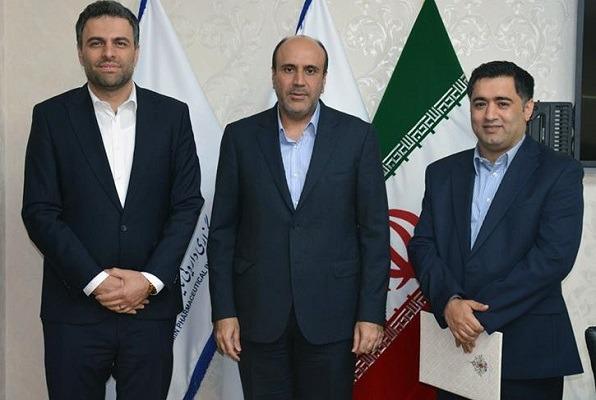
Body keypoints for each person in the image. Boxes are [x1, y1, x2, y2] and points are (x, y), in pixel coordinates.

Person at [21, 1, 203, 399]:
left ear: (136, 50)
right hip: (74, 312)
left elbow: (187, 204)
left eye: (120, 42)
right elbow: (39, 212)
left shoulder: (173, 116)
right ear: (80, 51)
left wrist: (149, 281)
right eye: (96, 43)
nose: (108, 52)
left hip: (149, 312)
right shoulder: (51, 117)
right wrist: (96, 282)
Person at [207, 35, 390, 399]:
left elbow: (374, 233)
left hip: (333, 318)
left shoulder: (357, 137)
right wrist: (224, 311)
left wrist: (371, 313)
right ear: (274, 75)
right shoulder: (240, 138)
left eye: (310, 70)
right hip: (258, 317)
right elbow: (223, 232)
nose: (299, 81)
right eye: (289, 69)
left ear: (324, 79)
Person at [408, 61, 583, 399]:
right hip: (455, 349)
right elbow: (422, 245)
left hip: (528, 355)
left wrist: (477, 317)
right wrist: (450, 302)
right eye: (480, 103)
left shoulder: (559, 172)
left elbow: (553, 258)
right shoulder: (442, 173)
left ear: (527, 109)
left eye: (503, 103)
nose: (490, 115)